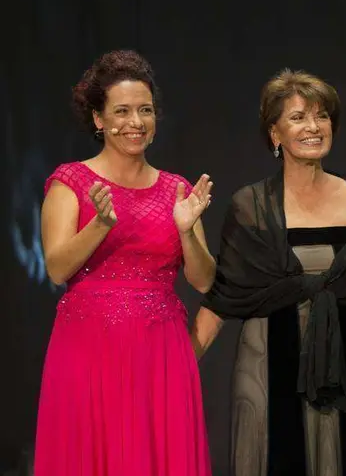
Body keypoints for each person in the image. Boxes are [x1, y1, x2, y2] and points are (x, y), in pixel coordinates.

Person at [191, 69, 346, 476]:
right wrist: (176, 368)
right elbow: (225, 297)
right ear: (274, 134)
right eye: (298, 117)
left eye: (322, 117)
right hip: (268, 360)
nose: (313, 127)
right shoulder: (249, 205)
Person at [34, 50, 215, 475]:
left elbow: (205, 281)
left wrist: (187, 230)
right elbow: (57, 268)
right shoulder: (70, 181)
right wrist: (99, 225)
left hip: (161, 353)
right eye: (122, 111)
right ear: (98, 119)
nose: (136, 122)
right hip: (88, 350)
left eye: (145, 111)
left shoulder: (177, 189)